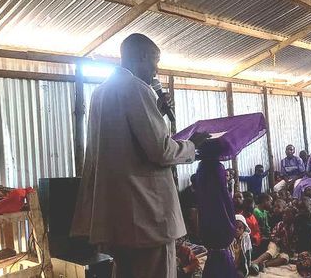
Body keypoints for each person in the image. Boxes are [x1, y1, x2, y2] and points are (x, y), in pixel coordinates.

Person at [70, 34, 210, 278]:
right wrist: (191, 147)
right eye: (155, 63)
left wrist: (157, 110)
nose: (155, 71)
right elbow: (160, 150)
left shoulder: (101, 93)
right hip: (147, 216)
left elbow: (126, 144)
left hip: (117, 216)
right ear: (143, 56)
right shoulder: (136, 88)